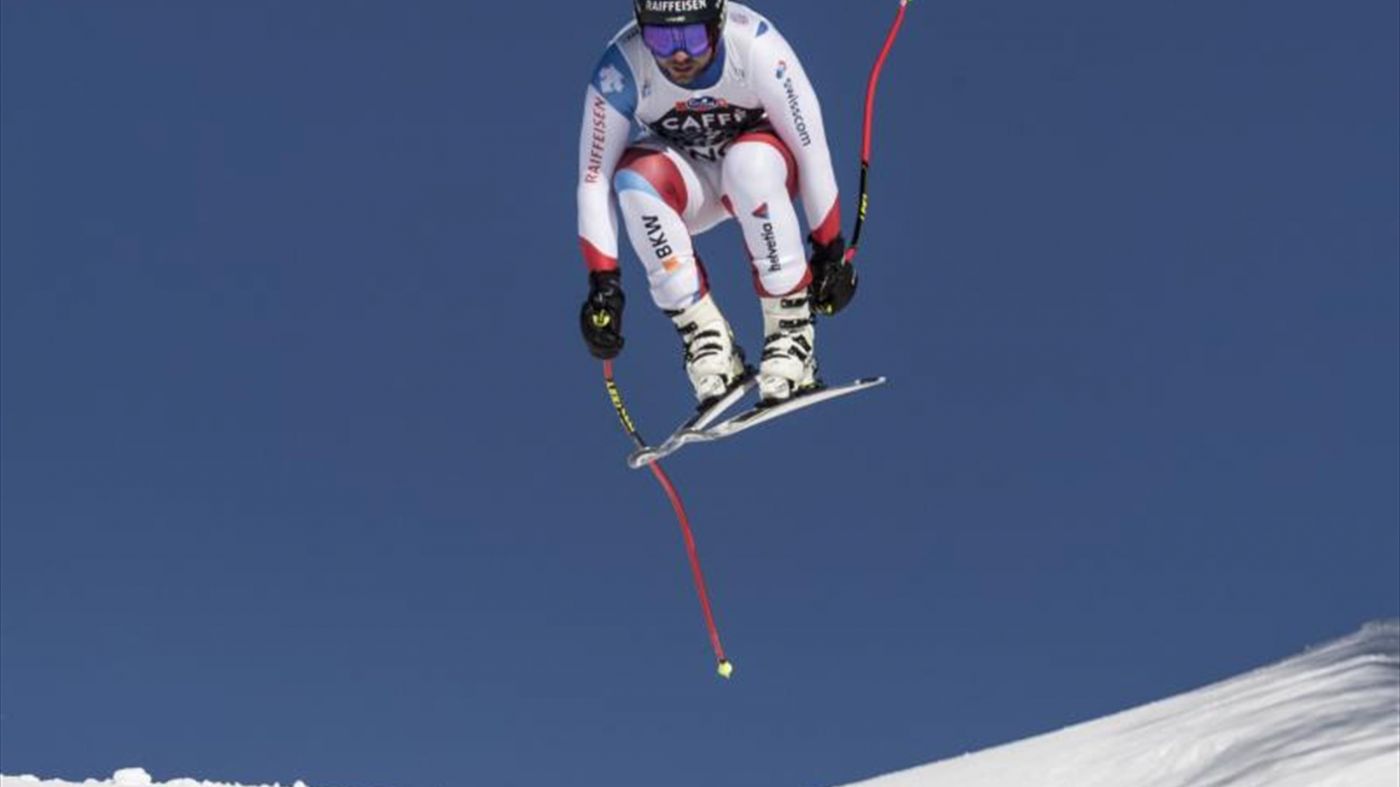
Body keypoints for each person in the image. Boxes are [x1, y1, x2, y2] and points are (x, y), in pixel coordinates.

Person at [577, 0, 857, 407]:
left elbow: (810, 150)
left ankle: (790, 329)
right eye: (660, 38)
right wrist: (604, 287)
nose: (677, 55)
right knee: (632, 181)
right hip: (694, 184)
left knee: (748, 165)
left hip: (762, 172)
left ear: (718, 24)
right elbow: (592, 180)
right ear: (641, 29)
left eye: (691, 37)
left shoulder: (757, 47)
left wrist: (830, 249)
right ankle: (706, 337)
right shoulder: (620, 69)